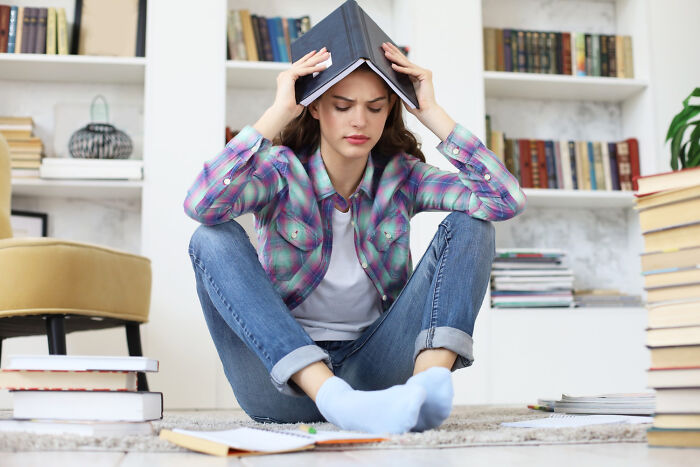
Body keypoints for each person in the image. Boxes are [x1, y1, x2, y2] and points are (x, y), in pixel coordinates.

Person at [184, 42, 526, 434]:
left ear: (390, 110)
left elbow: (504, 199)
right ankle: (334, 398)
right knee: (210, 238)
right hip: (283, 382)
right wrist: (277, 113)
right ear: (314, 106)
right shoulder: (280, 172)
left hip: (376, 371)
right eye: (343, 106)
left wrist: (431, 113)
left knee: (474, 224)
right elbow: (201, 205)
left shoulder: (402, 176)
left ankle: (428, 387)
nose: (359, 121)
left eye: (375, 107)